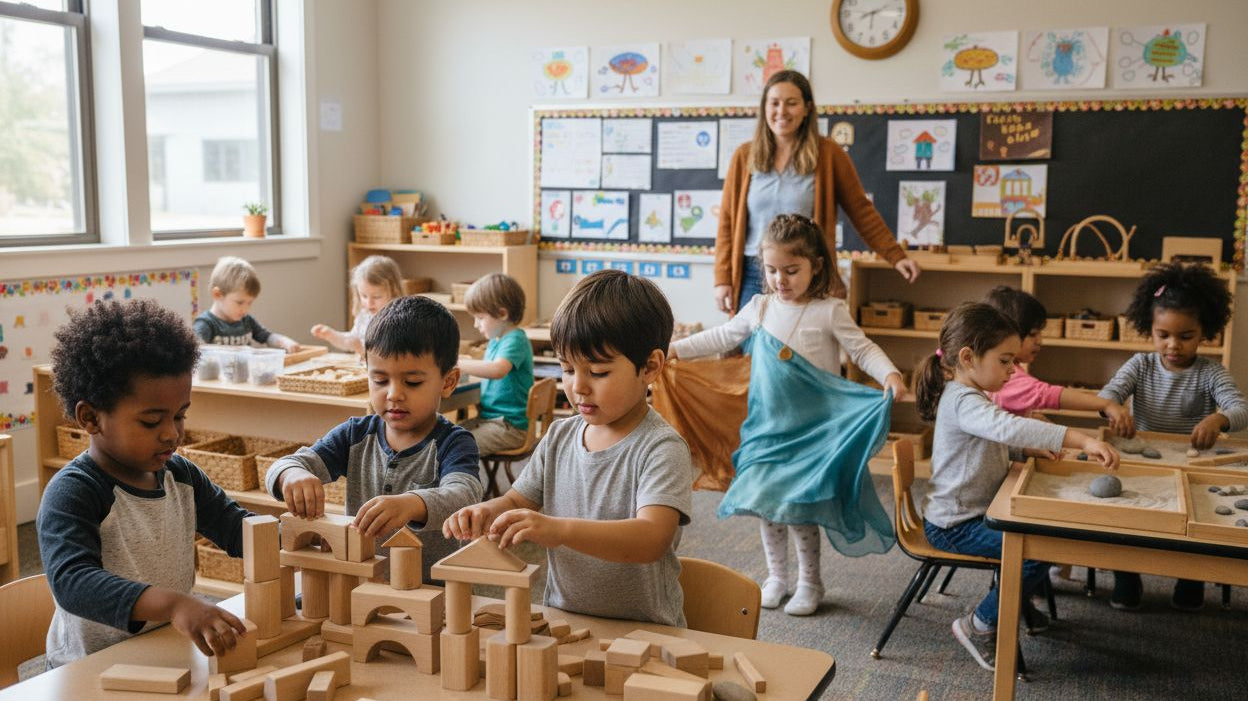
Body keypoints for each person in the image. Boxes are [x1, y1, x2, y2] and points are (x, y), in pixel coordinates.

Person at [671, 213, 906, 616]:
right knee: (768, 506)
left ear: (816, 266)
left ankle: (810, 582)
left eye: (792, 270)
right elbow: (723, 335)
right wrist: (677, 348)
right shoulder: (759, 307)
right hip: (766, 428)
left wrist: (890, 373)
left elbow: (862, 348)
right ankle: (777, 577)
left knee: (799, 510)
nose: (780, 279)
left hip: (813, 431)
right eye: (772, 269)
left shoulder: (829, 310)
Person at [442, 270, 694, 627]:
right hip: (566, 620)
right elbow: (516, 501)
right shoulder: (560, 436)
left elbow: (651, 539)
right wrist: (486, 511)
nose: (578, 387)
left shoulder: (661, 448)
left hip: (646, 629)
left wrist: (559, 530)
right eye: (567, 368)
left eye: (598, 372)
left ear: (650, 367)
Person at [38, 299, 252, 668]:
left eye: (180, 416)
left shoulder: (181, 476)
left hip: (166, 650)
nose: (172, 434)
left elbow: (236, 527)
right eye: (152, 422)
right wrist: (174, 604)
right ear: (91, 418)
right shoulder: (73, 492)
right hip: (89, 667)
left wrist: (298, 539)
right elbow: (73, 582)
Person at [915, 302, 1118, 672]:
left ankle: (1012, 607)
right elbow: (1006, 427)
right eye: (1005, 360)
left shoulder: (971, 395)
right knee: (1035, 551)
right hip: (954, 525)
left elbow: (987, 443)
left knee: (1040, 539)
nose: (1013, 369)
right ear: (968, 358)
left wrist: (1023, 450)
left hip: (974, 514)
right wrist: (1079, 439)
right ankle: (979, 623)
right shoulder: (962, 399)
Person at [266, 295, 483, 581]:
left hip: (431, 589)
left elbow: (464, 496)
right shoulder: (355, 435)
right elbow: (284, 465)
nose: (393, 394)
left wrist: (411, 504)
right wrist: (292, 475)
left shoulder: (453, 442)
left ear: (448, 382)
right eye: (380, 380)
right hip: (361, 583)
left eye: (413, 382)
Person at [1098, 262, 1247, 612]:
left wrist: (1219, 419)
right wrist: (1114, 409)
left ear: (1205, 332)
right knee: (1126, 517)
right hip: (1144, 459)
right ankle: (1126, 577)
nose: (1173, 345)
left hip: (1192, 465)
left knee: (1196, 522)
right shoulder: (1140, 365)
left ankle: (1190, 580)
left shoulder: (1211, 372)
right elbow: (1107, 395)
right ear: (1149, 329)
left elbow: (1241, 409)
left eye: (1186, 336)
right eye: (1162, 335)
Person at [714, 69, 919, 314]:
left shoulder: (829, 154)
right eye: (774, 103)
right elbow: (727, 221)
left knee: (802, 338)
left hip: (805, 273)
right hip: (753, 272)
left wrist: (896, 256)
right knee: (751, 339)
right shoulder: (744, 156)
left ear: (807, 108)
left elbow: (861, 210)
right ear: (764, 107)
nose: (782, 111)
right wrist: (722, 278)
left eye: (791, 103)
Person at [982, 286, 1132, 431]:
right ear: (1006, 335)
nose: (1040, 341)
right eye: (1033, 334)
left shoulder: (1005, 369)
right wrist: (1105, 404)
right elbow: (1046, 394)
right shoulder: (1007, 376)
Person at [457, 273, 535, 455]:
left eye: (480, 317)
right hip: (490, 420)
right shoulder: (496, 341)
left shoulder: (515, 339)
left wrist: (457, 364)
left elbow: (497, 370)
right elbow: (488, 372)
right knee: (446, 438)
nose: (476, 324)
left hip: (510, 427)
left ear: (502, 314)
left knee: (457, 448)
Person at [193, 256, 300, 351]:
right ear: (217, 294)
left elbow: (267, 336)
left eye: (249, 303)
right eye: (239, 303)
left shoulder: (246, 321)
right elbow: (195, 349)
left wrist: (283, 341)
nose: (245, 310)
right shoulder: (206, 324)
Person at [311, 255, 403, 355]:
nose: (369, 303)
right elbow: (351, 340)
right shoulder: (364, 315)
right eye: (364, 296)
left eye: (376, 297)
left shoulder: (397, 321)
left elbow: (386, 359)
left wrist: (360, 350)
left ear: (394, 293)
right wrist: (331, 335)